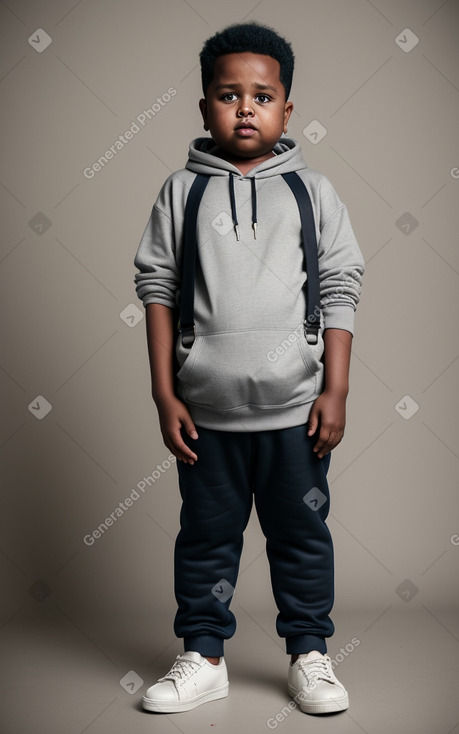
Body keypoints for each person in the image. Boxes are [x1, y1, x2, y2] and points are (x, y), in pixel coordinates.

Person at [133, 21, 364, 716]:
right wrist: (162, 392)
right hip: (207, 416)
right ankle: (203, 657)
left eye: (260, 96)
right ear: (203, 105)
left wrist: (336, 387)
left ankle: (309, 655)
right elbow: (156, 289)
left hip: (295, 414)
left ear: (285, 109)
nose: (243, 107)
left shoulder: (312, 191)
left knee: (300, 538)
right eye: (226, 94)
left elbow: (340, 287)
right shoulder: (180, 192)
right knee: (205, 540)